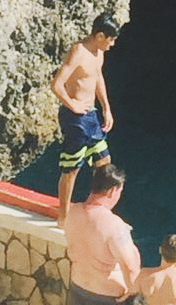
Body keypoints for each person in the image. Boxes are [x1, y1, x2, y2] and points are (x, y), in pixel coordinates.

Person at [52, 13, 121, 221]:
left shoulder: (98, 53)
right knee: (72, 168)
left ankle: (95, 209)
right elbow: (56, 84)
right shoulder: (78, 52)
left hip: (90, 115)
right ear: (100, 36)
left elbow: (96, 76)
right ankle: (63, 216)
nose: (112, 44)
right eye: (111, 39)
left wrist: (106, 108)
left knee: (104, 162)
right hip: (75, 118)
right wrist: (72, 104)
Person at [63, 163, 140, 305]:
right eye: (119, 192)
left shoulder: (72, 212)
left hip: (78, 288)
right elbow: (130, 266)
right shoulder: (115, 226)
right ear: (112, 191)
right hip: (107, 296)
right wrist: (132, 291)